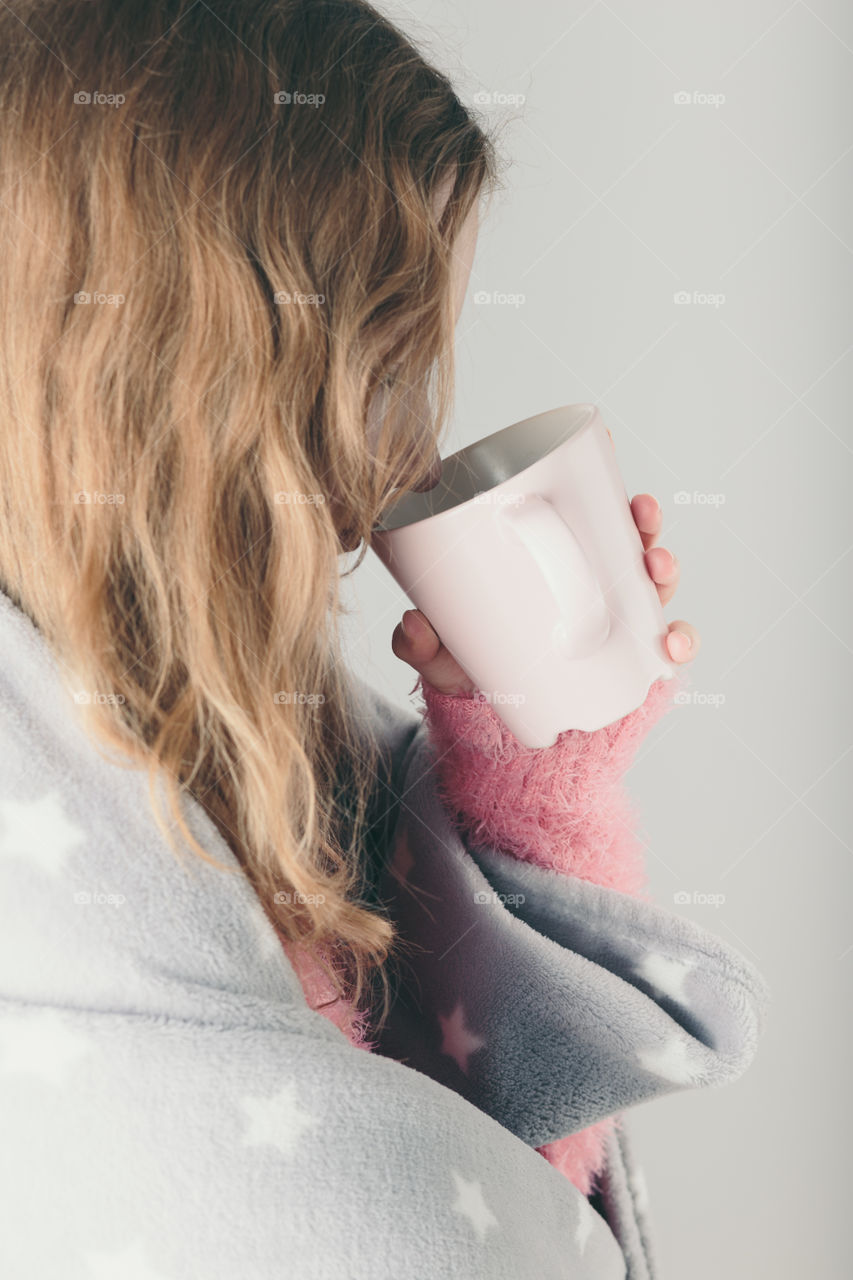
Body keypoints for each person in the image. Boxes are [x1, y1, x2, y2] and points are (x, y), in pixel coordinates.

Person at [0, 3, 767, 1277]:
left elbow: (504, 1167)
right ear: (190, 387)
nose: (406, 460)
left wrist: (539, 778)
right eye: (375, 370)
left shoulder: (259, 743)